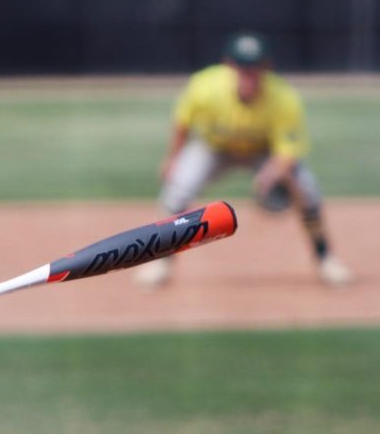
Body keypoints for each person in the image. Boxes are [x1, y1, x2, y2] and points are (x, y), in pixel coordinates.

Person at [136, 30, 352, 288]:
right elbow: (183, 122)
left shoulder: (283, 98)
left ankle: (326, 259)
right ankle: (162, 262)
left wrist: (271, 176)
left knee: (307, 189)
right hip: (214, 148)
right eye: (242, 65)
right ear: (229, 64)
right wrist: (172, 158)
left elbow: (288, 152)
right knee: (178, 189)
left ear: (267, 67)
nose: (248, 73)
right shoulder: (205, 86)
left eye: (255, 66)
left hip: (262, 151)